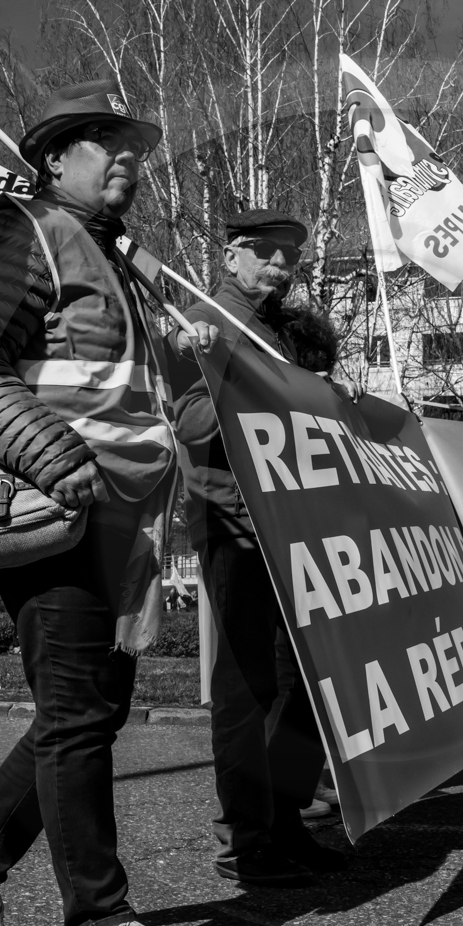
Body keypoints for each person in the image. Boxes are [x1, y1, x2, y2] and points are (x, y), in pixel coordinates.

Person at [0, 81, 200, 926]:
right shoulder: (19, 231)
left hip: (119, 518)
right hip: (51, 504)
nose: (127, 158)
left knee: (86, 711)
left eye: (134, 148)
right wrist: (51, 457)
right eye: (104, 143)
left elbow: (129, 395)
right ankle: (103, 925)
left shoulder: (115, 262)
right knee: (80, 711)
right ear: (52, 159)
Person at [169, 208, 344, 885]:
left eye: (290, 259)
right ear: (232, 253)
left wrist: (330, 397)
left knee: (302, 679)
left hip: (294, 520)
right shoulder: (202, 318)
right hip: (233, 519)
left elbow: (301, 411)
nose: (280, 267)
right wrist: (251, 390)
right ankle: (244, 839)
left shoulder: (279, 331)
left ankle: (286, 818)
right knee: (249, 686)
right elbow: (188, 420)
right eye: (267, 254)